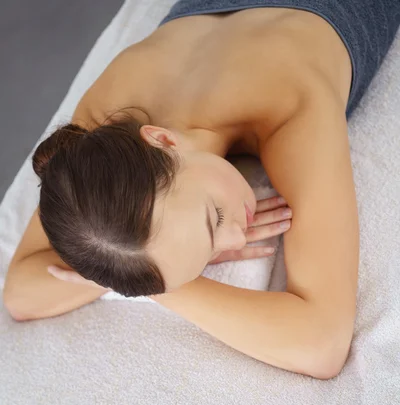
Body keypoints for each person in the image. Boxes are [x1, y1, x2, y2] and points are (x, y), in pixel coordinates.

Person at [3, 1, 400, 378]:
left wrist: (162, 284)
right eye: (213, 247)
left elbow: (322, 343)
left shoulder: (288, 106)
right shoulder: (105, 151)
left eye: (216, 218)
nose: (236, 236)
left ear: (164, 141)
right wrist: (143, 275)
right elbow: (21, 292)